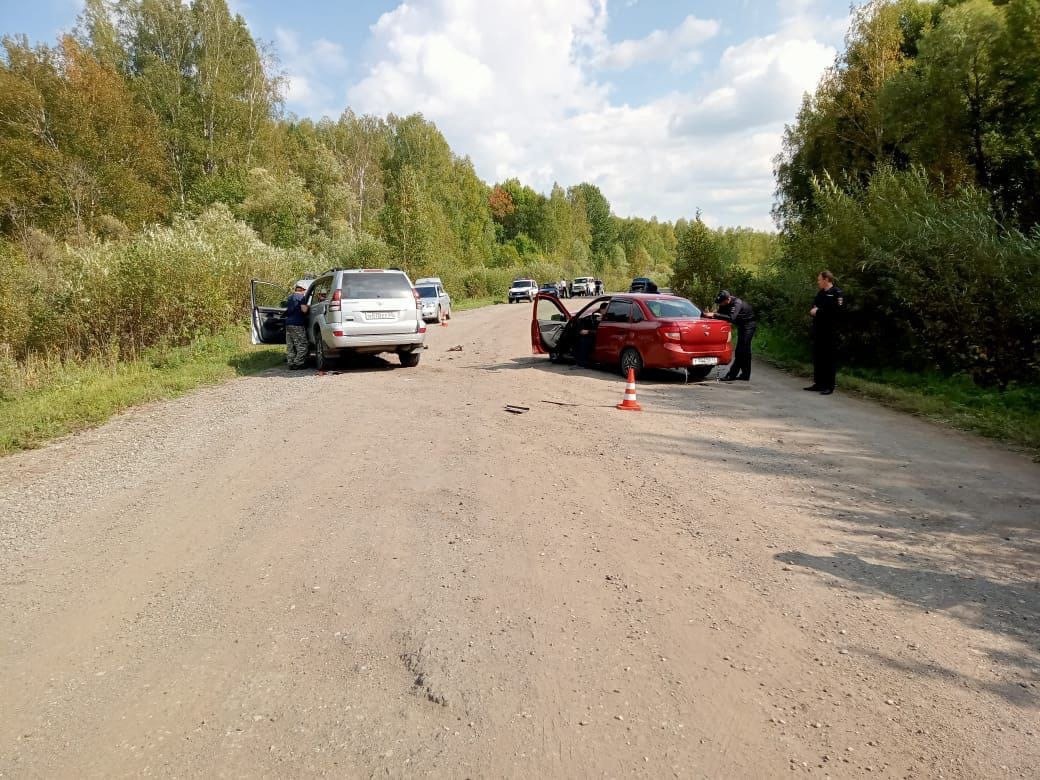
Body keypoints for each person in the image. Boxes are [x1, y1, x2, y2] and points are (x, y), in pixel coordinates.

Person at [805, 270, 844, 394]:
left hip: (830, 331)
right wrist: (819, 310)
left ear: (826, 279)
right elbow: (814, 306)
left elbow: (835, 312)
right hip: (818, 330)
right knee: (818, 357)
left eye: (819, 280)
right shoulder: (821, 293)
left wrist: (819, 311)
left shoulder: (836, 293)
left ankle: (829, 385)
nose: (818, 282)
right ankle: (819, 383)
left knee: (829, 358)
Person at [707, 290, 756, 381]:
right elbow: (720, 316)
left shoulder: (737, 303)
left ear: (728, 299)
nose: (720, 304)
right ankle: (745, 375)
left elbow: (731, 318)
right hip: (741, 326)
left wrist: (714, 314)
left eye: (721, 302)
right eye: (719, 303)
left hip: (749, 325)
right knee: (745, 352)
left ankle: (731, 375)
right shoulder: (724, 304)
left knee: (741, 351)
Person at [285, 280, 311, 370]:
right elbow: (304, 310)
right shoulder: (301, 297)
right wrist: (308, 307)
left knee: (291, 345)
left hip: (288, 324)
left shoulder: (290, 297)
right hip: (297, 324)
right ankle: (298, 363)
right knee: (303, 344)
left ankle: (291, 363)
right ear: (302, 289)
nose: (304, 292)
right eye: (304, 290)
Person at [574, 301, 608, 367]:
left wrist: (588, 332)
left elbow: (599, 331)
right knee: (583, 339)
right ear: (602, 309)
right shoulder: (599, 317)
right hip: (598, 335)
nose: (608, 310)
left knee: (585, 340)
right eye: (607, 309)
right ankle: (582, 361)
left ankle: (582, 361)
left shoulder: (607, 318)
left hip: (601, 336)